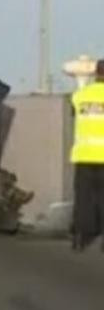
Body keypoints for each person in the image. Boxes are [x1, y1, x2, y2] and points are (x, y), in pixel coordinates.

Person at [71, 63, 104, 251]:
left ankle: (79, 237)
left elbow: (74, 110)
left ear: (95, 73)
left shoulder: (81, 95)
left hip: (83, 155)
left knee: (83, 199)